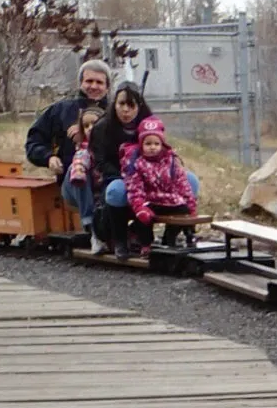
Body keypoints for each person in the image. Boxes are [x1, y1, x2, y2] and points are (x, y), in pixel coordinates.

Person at [90, 83, 199, 257]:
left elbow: (161, 149)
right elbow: (100, 162)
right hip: (119, 176)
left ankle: (172, 235)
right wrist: (129, 175)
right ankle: (120, 239)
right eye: (121, 104)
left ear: (139, 106)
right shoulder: (103, 127)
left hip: (152, 175)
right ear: (114, 104)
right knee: (116, 190)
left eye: (131, 105)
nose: (125, 110)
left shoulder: (149, 123)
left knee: (190, 180)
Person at [25, 56, 112, 233]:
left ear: (107, 87)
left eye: (99, 82)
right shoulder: (60, 111)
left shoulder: (116, 113)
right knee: (78, 169)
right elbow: (33, 142)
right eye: (89, 81)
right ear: (80, 83)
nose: (94, 86)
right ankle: (91, 225)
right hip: (74, 183)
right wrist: (48, 157)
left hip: (108, 181)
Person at [122, 117, 198, 257]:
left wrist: (190, 203)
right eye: (148, 143)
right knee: (144, 217)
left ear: (162, 144)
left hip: (168, 198)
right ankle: (145, 243)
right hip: (149, 200)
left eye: (156, 143)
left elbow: (182, 183)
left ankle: (169, 238)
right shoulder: (138, 164)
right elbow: (134, 188)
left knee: (184, 210)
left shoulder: (171, 161)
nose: (152, 147)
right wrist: (139, 206)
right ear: (141, 145)